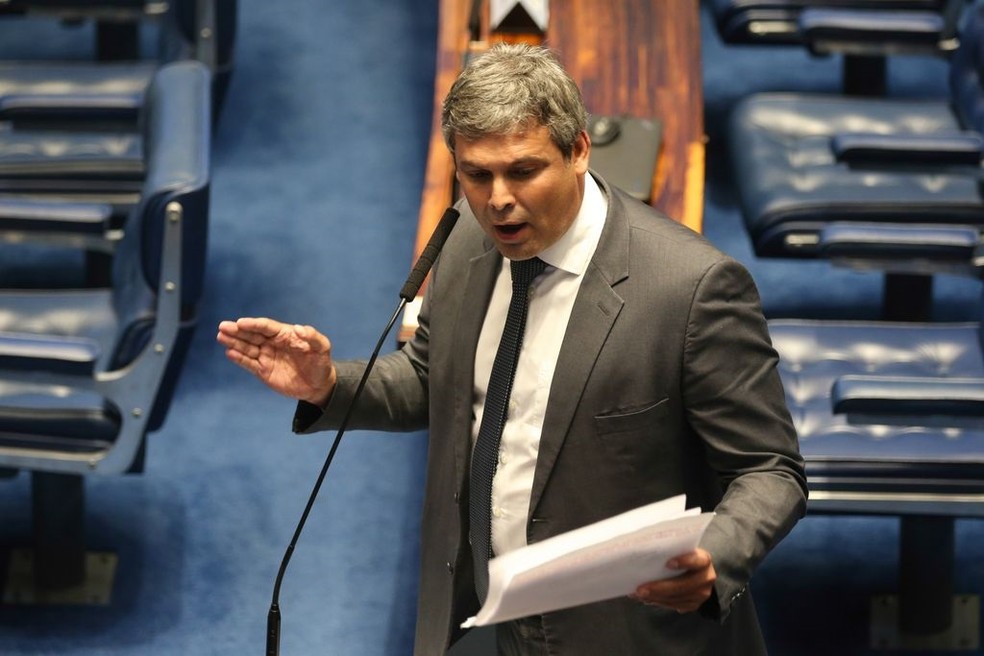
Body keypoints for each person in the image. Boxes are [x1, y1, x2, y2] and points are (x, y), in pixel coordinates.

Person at [217, 43, 807, 655]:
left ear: (579, 150)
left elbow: (771, 470)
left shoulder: (691, 289)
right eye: (476, 174)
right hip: (485, 613)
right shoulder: (467, 240)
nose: (497, 198)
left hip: (623, 631)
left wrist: (717, 553)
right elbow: (434, 378)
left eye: (523, 171)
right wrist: (328, 384)